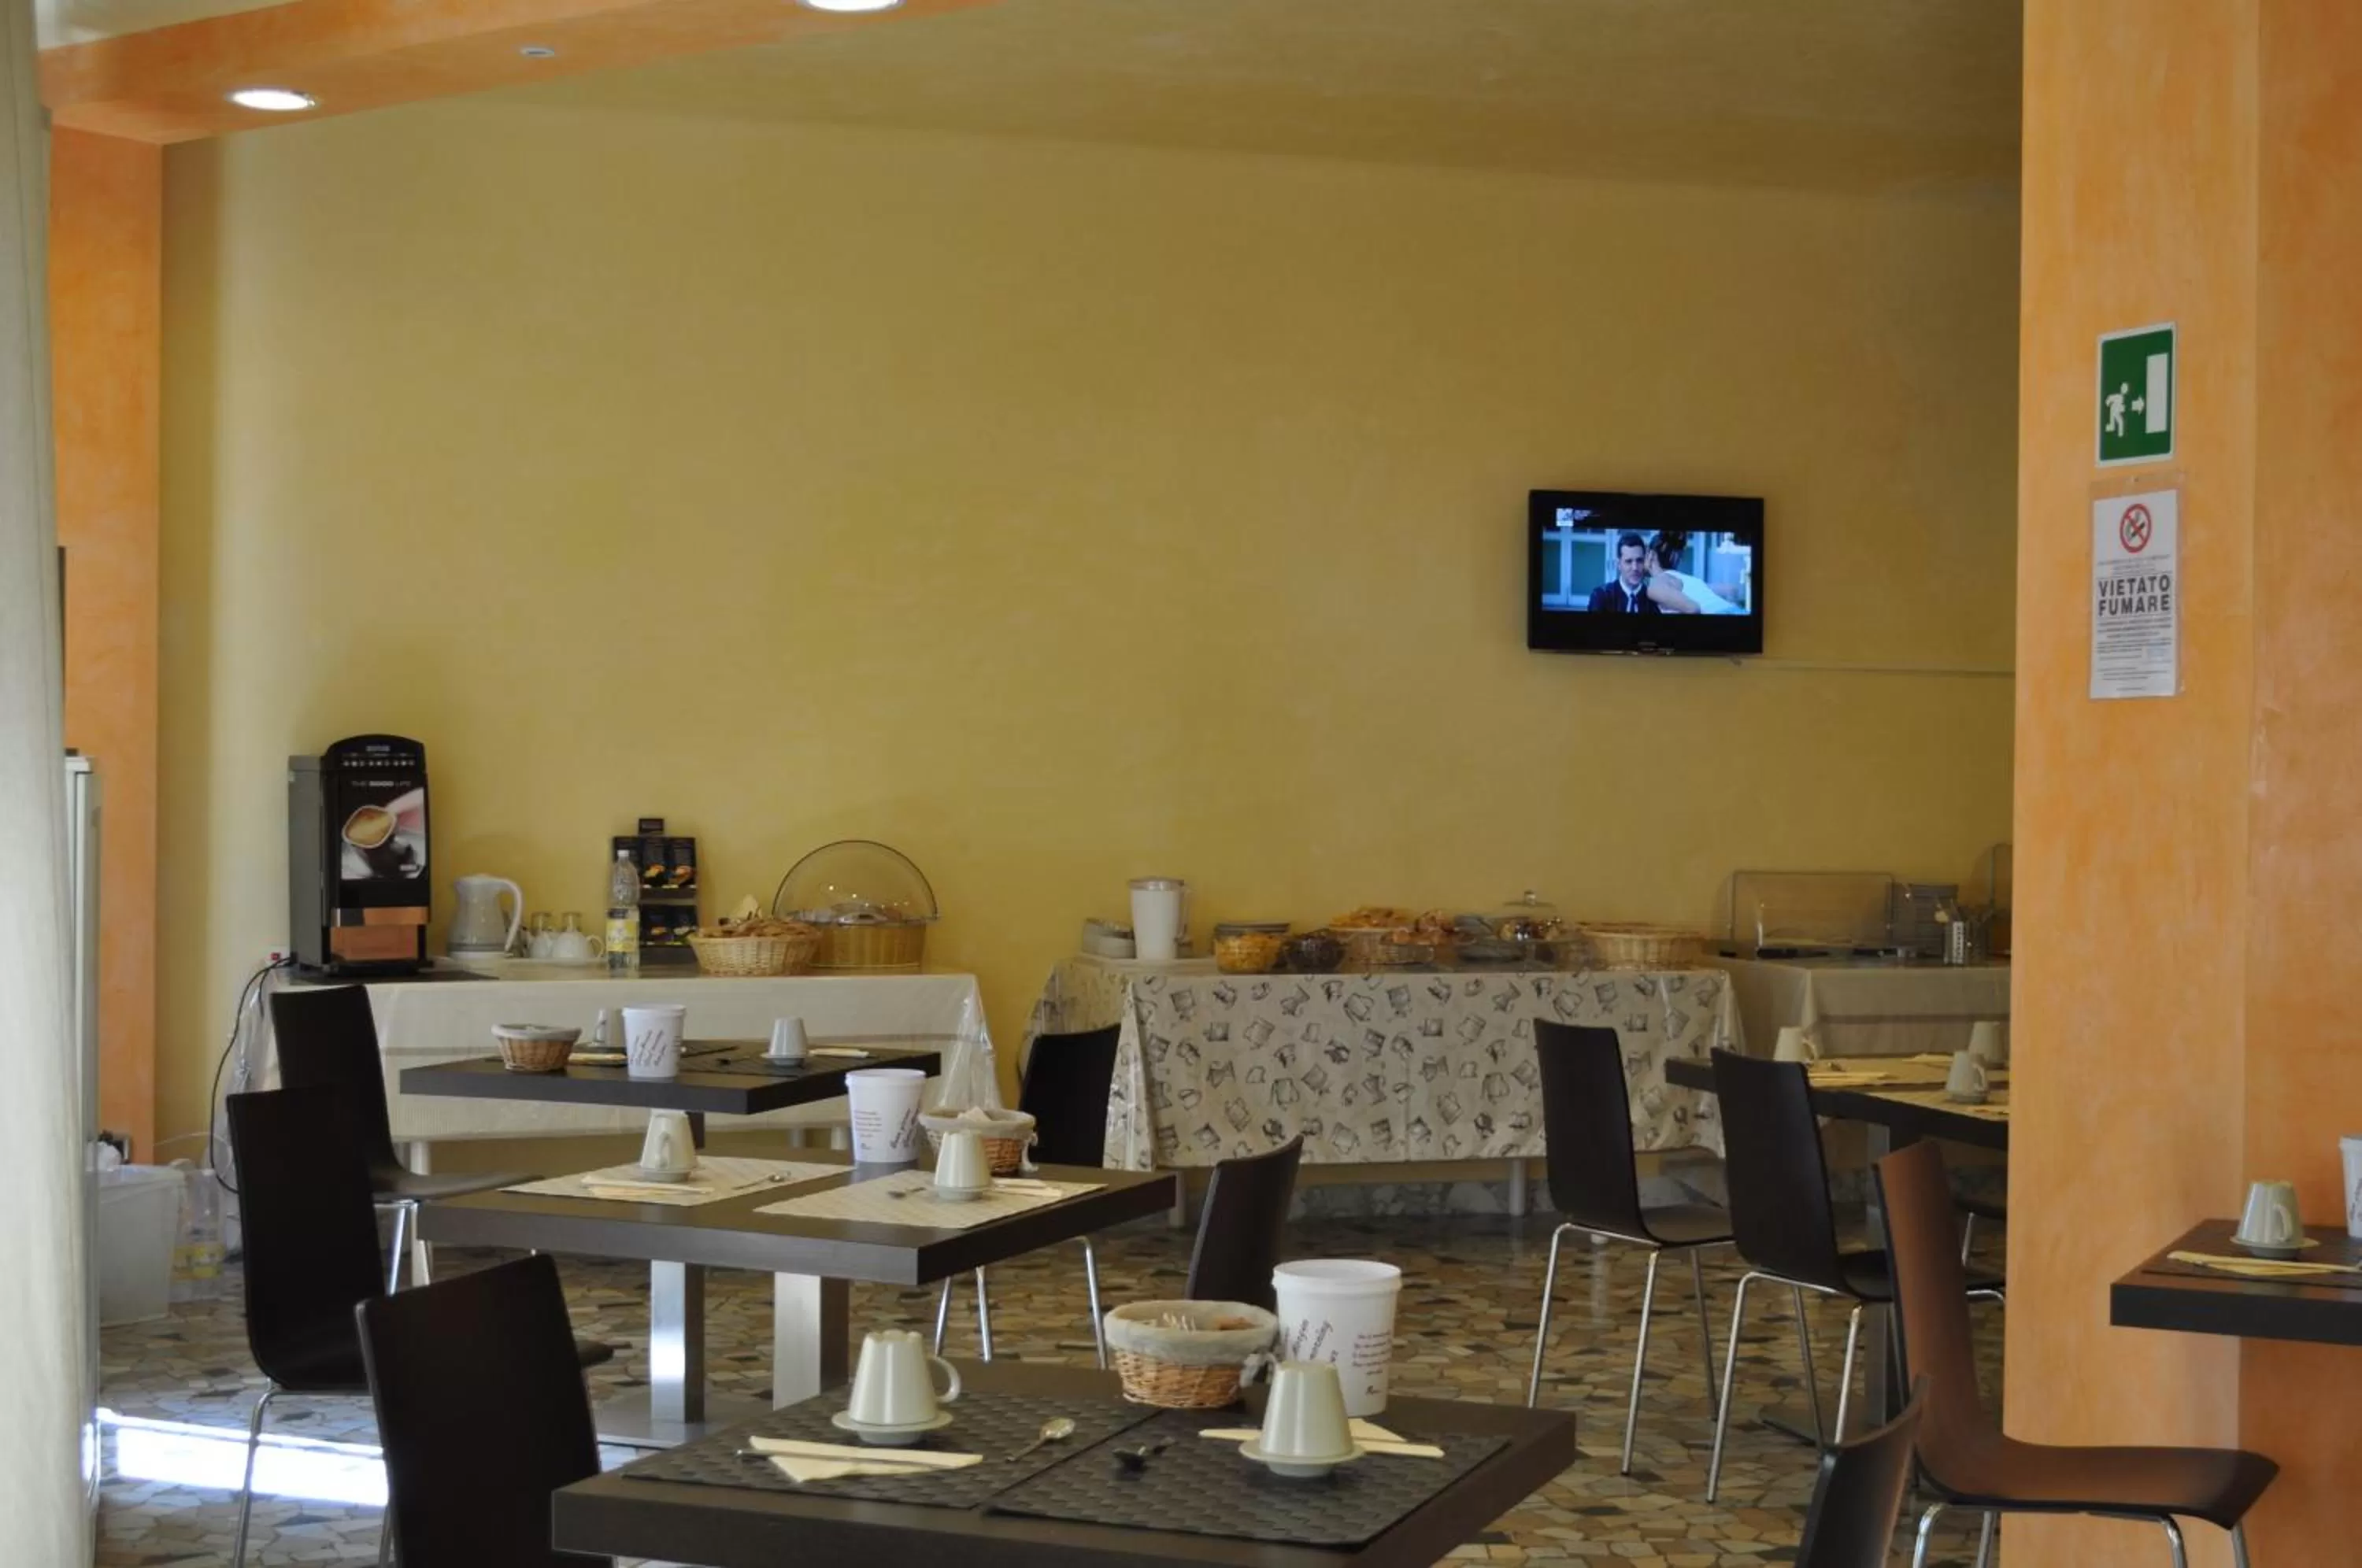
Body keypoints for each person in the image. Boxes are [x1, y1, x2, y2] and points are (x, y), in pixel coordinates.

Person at [1644, 531, 1742, 615]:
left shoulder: (1655, 582)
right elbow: (1732, 590)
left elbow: (1694, 609)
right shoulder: (1689, 580)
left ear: (1651, 554)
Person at [1586, 533, 1659, 613]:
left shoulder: (1654, 599)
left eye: (1639, 560)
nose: (1635, 568)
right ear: (1619, 564)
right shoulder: (1601, 596)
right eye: (1628, 561)